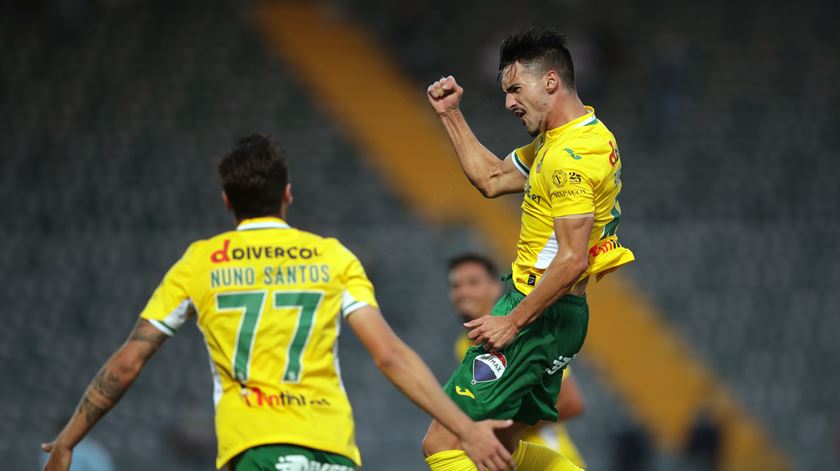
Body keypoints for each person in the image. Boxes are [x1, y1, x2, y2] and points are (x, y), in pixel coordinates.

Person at [41, 134, 515, 471]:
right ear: (288, 195)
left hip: (258, 447)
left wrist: (67, 442)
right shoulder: (331, 256)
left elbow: (129, 360)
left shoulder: (201, 262)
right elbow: (389, 353)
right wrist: (466, 429)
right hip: (331, 450)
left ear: (227, 201)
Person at [422, 28, 636, 471]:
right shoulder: (569, 139)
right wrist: (451, 115)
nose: (508, 103)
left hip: (534, 312)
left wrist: (512, 322)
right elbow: (493, 179)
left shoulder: (569, 157)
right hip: (557, 315)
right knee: (495, 447)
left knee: (443, 442)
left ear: (551, 82)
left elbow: (573, 257)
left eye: (515, 89)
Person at [447, 254, 587, 469]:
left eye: (473, 283)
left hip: (546, 460)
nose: (462, 292)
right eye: (456, 285)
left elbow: (570, 402)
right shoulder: (464, 345)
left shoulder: (522, 332)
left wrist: (497, 428)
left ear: (495, 287)